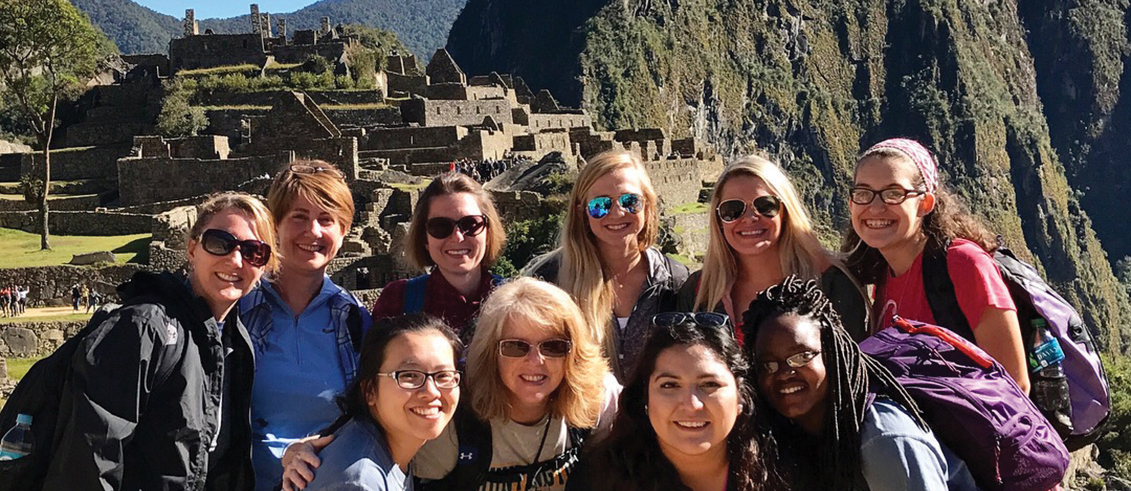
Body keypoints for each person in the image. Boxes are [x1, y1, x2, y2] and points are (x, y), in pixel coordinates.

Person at [282, 278, 618, 491]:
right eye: (515, 347)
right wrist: (306, 452)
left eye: (554, 346)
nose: (536, 361)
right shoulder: (447, 424)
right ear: (490, 352)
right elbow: (380, 442)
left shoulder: (594, 403)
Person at [46, 192, 278, 489]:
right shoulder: (143, 329)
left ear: (264, 265)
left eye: (253, 251)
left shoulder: (235, 340)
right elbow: (88, 462)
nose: (235, 260)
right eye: (220, 243)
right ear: (193, 248)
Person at [744, 276, 978, 491]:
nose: (785, 373)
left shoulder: (884, 439)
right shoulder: (796, 432)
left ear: (833, 353)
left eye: (802, 356)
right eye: (769, 364)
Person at [842, 138, 1029, 392]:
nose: (875, 207)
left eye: (893, 194)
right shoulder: (884, 276)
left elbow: (1015, 385)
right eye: (863, 193)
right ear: (852, 203)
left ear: (925, 203)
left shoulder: (964, 264)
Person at [238, 161, 375, 491]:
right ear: (275, 226)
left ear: (343, 233)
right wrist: (284, 454)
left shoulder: (354, 319)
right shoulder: (238, 310)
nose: (312, 232)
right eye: (299, 217)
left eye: (327, 220)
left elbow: (372, 420)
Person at [527, 149, 688, 381]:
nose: (617, 212)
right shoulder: (550, 282)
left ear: (648, 205)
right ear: (582, 213)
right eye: (600, 205)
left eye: (630, 201)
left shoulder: (675, 281)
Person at [569, 312, 774, 491]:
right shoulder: (598, 479)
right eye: (670, 385)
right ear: (645, 400)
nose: (692, 404)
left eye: (709, 384)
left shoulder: (783, 470)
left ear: (741, 398)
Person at [677, 156, 869, 343]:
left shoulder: (832, 285)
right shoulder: (700, 292)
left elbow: (851, 369)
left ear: (785, 211)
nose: (750, 218)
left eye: (765, 206)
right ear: (719, 220)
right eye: (732, 209)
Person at [302, 313, 462, 491]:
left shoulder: (388, 449)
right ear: (370, 390)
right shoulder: (358, 482)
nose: (431, 392)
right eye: (409, 375)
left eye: (443, 376)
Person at [371, 172, 506, 339]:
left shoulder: (515, 303)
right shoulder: (396, 302)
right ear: (424, 238)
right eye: (440, 226)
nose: (458, 237)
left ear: (488, 231)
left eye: (470, 224)